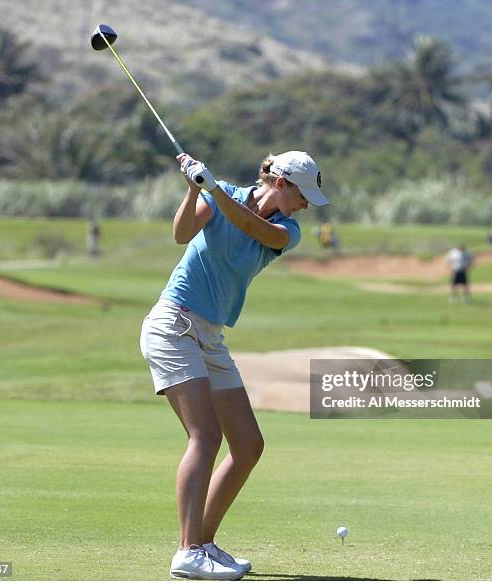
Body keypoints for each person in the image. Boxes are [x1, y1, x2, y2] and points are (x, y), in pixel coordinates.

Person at [140, 151, 329, 580]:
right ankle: (188, 552)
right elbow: (181, 233)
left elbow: (250, 226)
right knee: (205, 436)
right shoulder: (219, 192)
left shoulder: (286, 231)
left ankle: (203, 543)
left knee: (247, 445)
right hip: (174, 325)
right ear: (281, 182)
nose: (306, 205)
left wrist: (209, 187)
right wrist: (193, 190)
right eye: (303, 194)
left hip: (210, 335)